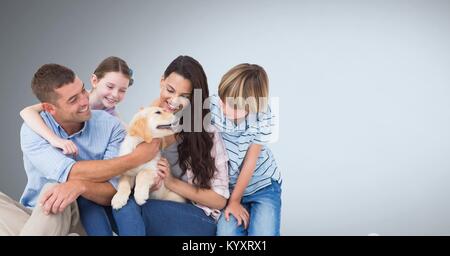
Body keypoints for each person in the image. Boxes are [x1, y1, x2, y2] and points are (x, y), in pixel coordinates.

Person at [0, 63, 159, 236]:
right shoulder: (34, 129)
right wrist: (137, 158)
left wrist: (79, 186)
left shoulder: (111, 126)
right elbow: (71, 173)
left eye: (83, 90)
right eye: (73, 99)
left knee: (55, 190)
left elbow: (112, 191)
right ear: (49, 108)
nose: (85, 101)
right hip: (33, 214)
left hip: (74, 213)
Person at [112, 55, 230, 236]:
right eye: (170, 90)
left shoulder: (206, 132)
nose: (174, 101)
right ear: (161, 81)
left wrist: (171, 182)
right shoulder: (146, 120)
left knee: (127, 209)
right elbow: (133, 169)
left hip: (196, 215)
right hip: (156, 204)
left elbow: (219, 200)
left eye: (184, 96)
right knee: (118, 204)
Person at [212, 63, 282, 236]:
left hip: (262, 185)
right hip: (230, 189)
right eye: (223, 100)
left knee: (263, 233)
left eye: (234, 106)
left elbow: (251, 161)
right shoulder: (213, 108)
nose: (225, 109)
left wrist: (235, 200)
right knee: (226, 234)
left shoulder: (263, 115)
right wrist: (232, 200)